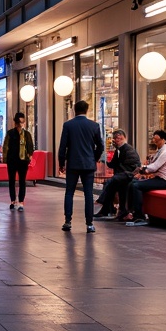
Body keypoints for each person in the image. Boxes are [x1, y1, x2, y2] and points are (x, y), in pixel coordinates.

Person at [58, 99, 104, 233]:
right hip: (88, 164)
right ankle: (89, 224)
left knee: (69, 192)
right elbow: (100, 146)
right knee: (88, 194)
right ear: (87, 110)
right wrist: (94, 158)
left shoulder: (68, 125)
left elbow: (63, 147)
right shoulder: (94, 125)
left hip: (72, 163)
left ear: (74, 110)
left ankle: (68, 221)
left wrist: (62, 163)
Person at [125, 129, 166, 225]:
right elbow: (152, 166)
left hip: (165, 180)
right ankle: (130, 212)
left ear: (164, 140)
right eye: (154, 139)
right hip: (159, 178)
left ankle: (140, 217)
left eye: (157, 140)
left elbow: (155, 167)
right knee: (132, 183)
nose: (154, 141)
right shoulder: (160, 151)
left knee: (136, 185)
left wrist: (142, 169)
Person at [95, 129, 141, 219]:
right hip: (122, 175)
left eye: (118, 138)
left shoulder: (128, 149)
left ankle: (102, 203)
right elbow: (113, 164)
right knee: (109, 183)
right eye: (115, 138)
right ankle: (108, 209)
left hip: (128, 175)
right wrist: (105, 160)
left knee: (112, 181)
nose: (116, 140)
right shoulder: (119, 150)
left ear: (123, 138)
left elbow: (133, 166)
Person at [2, 113, 34, 211]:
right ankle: (12, 200)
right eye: (19, 122)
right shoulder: (10, 133)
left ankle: (21, 202)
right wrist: (5, 159)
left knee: (22, 181)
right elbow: (5, 146)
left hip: (23, 161)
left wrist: (29, 156)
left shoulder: (27, 134)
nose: (21, 125)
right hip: (12, 160)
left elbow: (30, 147)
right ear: (15, 123)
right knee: (11, 181)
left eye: (23, 122)